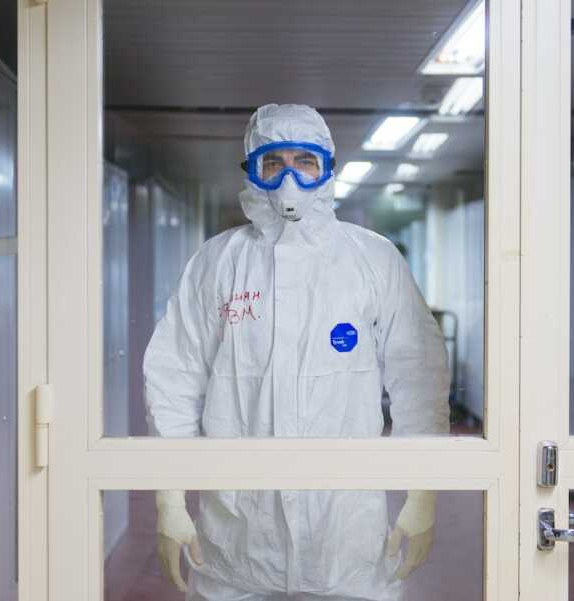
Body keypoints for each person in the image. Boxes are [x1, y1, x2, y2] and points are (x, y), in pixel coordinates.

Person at [143, 104, 451, 600]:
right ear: (252, 169)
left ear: (327, 167)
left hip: (347, 539)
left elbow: (418, 378)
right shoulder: (219, 261)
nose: (290, 176)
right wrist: (169, 499)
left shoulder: (371, 258)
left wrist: (423, 494)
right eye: (273, 161)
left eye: (304, 160)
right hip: (236, 536)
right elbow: (174, 380)